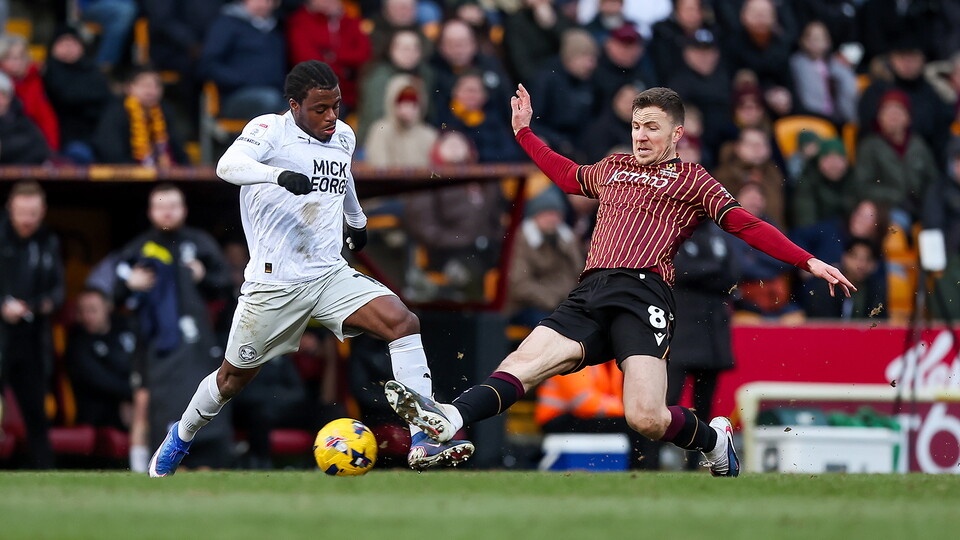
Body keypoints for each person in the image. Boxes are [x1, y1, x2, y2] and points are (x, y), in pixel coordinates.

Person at [383, 85, 856, 477]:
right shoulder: (613, 168)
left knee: (645, 417)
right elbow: (567, 176)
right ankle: (450, 418)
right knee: (523, 361)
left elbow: (746, 225)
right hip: (590, 291)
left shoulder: (693, 180)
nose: (641, 136)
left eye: (652, 127)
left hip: (644, 293)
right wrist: (524, 133)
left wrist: (808, 261)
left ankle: (714, 440)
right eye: (636, 126)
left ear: (676, 132)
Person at [148, 60, 474, 477]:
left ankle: (423, 436)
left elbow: (344, 177)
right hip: (274, 284)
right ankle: (181, 435)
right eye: (320, 108)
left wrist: (356, 221)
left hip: (327, 274)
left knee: (402, 321)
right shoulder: (269, 131)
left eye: (336, 106)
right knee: (230, 380)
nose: (331, 116)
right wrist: (277, 175)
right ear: (294, 105)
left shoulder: (342, 136)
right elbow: (225, 166)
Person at [117, 183, 233, 471]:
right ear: (151, 211)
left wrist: (204, 276)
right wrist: (130, 284)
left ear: (184, 210)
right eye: (161, 206)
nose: (167, 213)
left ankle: (210, 468)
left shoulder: (200, 243)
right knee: (159, 409)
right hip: (156, 348)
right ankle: (163, 466)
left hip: (199, 346)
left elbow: (227, 288)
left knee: (206, 400)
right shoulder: (139, 248)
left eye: (173, 206)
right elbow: (113, 293)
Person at [0, 181, 64, 469]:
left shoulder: (48, 241)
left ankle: (45, 474)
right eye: (22, 212)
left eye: (33, 213)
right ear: (10, 208)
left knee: (36, 413)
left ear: (43, 212)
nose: (27, 220)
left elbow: (58, 291)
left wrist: (37, 306)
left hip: (33, 338)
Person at [65, 287, 135, 431]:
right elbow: (100, 380)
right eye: (81, 311)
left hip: (133, 400)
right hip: (98, 414)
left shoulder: (125, 327)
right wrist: (135, 393)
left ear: (108, 307)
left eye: (92, 310)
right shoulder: (77, 341)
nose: (86, 316)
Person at [94, 67, 188, 166]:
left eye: (157, 86)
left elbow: (178, 149)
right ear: (129, 87)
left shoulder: (164, 110)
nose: (152, 91)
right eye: (145, 86)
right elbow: (111, 153)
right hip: (125, 175)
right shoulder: (116, 112)